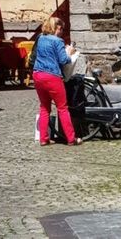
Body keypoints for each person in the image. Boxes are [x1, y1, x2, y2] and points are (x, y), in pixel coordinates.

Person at [32, 16, 80, 146]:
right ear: (57, 28)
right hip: (52, 76)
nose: (62, 31)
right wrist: (69, 52)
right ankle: (71, 139)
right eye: (61, 29)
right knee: (62, 107)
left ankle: (43, 138)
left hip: (37, 74)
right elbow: (63, 60)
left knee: (44, 108)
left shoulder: (40, 38)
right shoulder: (58, 41)